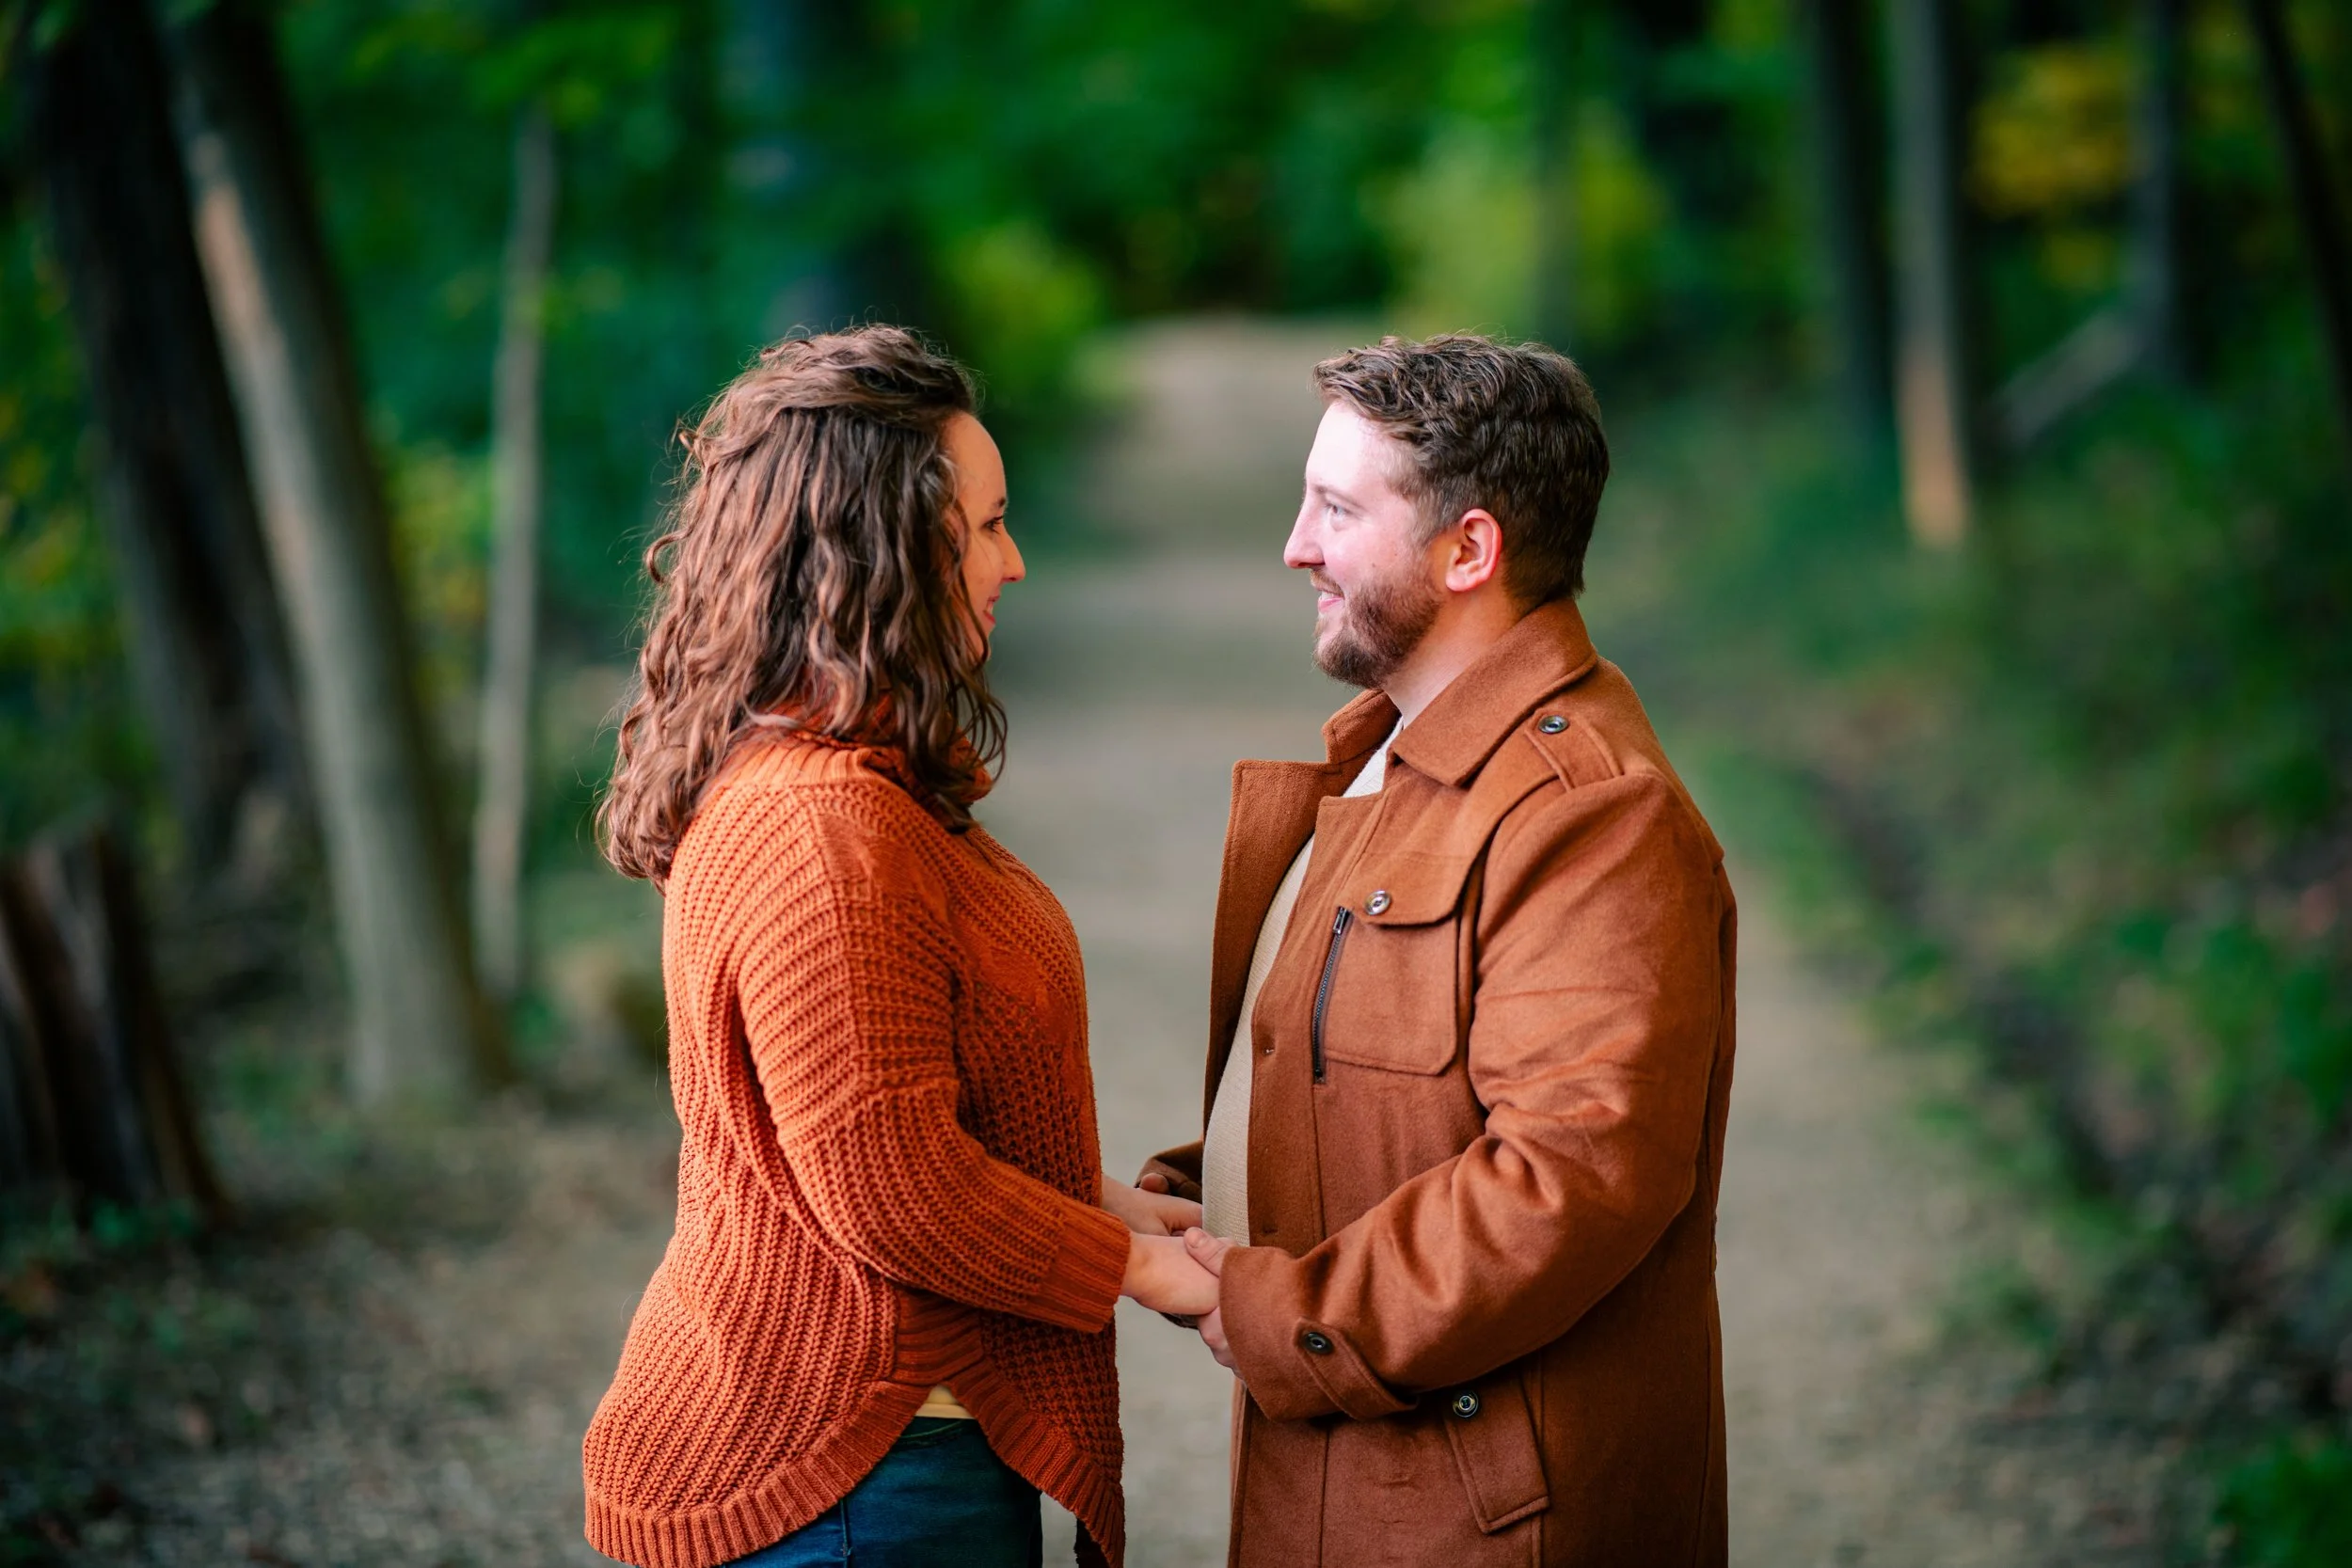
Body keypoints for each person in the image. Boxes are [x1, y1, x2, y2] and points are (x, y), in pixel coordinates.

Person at [583, 325, 1215, 1568]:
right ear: (880, 551)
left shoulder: (855, 788)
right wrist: (1153, 1276)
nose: (1015, 560)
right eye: (984, 525)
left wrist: (1135, 1210)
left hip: (885, 1472)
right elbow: (895, 1187)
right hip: (857, 1489)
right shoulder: (825, 826)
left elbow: (918, 1126)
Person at [1138, 334, 1739, 1565]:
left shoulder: (1591, 813)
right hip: (1356, 1484)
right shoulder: (1398, 763)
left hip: (1485, 1523)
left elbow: (1567, 1181)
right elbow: (1371, 1101)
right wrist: (1168, 1214)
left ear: (1470, 550)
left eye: (1337, 510)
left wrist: (1268, 1305)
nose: (1295, 545)